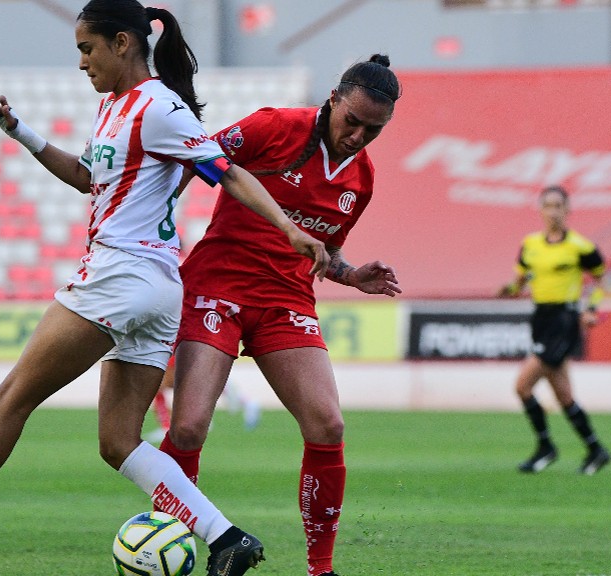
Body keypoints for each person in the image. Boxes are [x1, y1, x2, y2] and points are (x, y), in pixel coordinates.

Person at [0, 3, 330, 575]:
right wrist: (18, 130)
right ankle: (226, 538)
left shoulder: (157, 106)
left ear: (123, 43)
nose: (82, 61)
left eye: (88, 48)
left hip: (118, 275)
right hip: (155, 288)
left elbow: (224, 169)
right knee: (118, 442)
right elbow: (87, 177)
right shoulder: (116, 108)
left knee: (14, 397)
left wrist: (287, 227)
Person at [159, 55, 403, 576]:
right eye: (351, 121)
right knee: (190, 427)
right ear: (333, 100)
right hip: (217, 286)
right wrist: (159, 219)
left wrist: (352, 275)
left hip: (286, 300)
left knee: (328, 424)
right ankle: (165, 553)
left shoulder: (361, 180)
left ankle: (321, 568)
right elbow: (196, 155)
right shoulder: (274, 127)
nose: (358, 136)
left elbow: (322, 254)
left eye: (372, 130)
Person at [497, 185, 611, 475]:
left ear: (568, 210)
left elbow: (600, 280)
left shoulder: (581, 247)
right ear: (540, 210)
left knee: (522, 386)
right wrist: (508, 289)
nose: (552, 211)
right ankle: (595, 449)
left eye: (558, 205)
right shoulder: (530, 245)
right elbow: (519, 282)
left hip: (564, 320)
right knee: (564, 396)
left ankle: (546, 447)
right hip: (541, 318)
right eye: (547, 205)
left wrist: (591, 308)